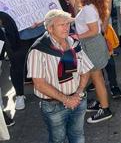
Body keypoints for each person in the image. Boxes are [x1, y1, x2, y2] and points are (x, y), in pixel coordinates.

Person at [27, 10, 93, 143]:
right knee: (58, 139)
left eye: (67, 24)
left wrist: (78, 93)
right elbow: (39, 83)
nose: (66, 28)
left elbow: (86, 69)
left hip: (78, 100)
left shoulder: (73, 43)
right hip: (53, 106)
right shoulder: (38, 50)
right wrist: (66, 99)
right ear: (50, 28)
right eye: (61, 25)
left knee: (78, 136)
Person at [0, 0, 45, 111]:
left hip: (39, 32)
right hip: (17, 38)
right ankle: (20, 95)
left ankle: (46, 90)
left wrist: (41, 19)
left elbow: (44, 6)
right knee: (18, 66)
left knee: (43, 62)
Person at [74, 0, 113, 123]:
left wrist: (76, 36)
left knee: (97, 78)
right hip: (94, 44)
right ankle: (100, 103)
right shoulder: (95, 5)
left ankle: (105, 108)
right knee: (95, 77)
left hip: (91, 44)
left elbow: (94, 30)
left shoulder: (89, 8)